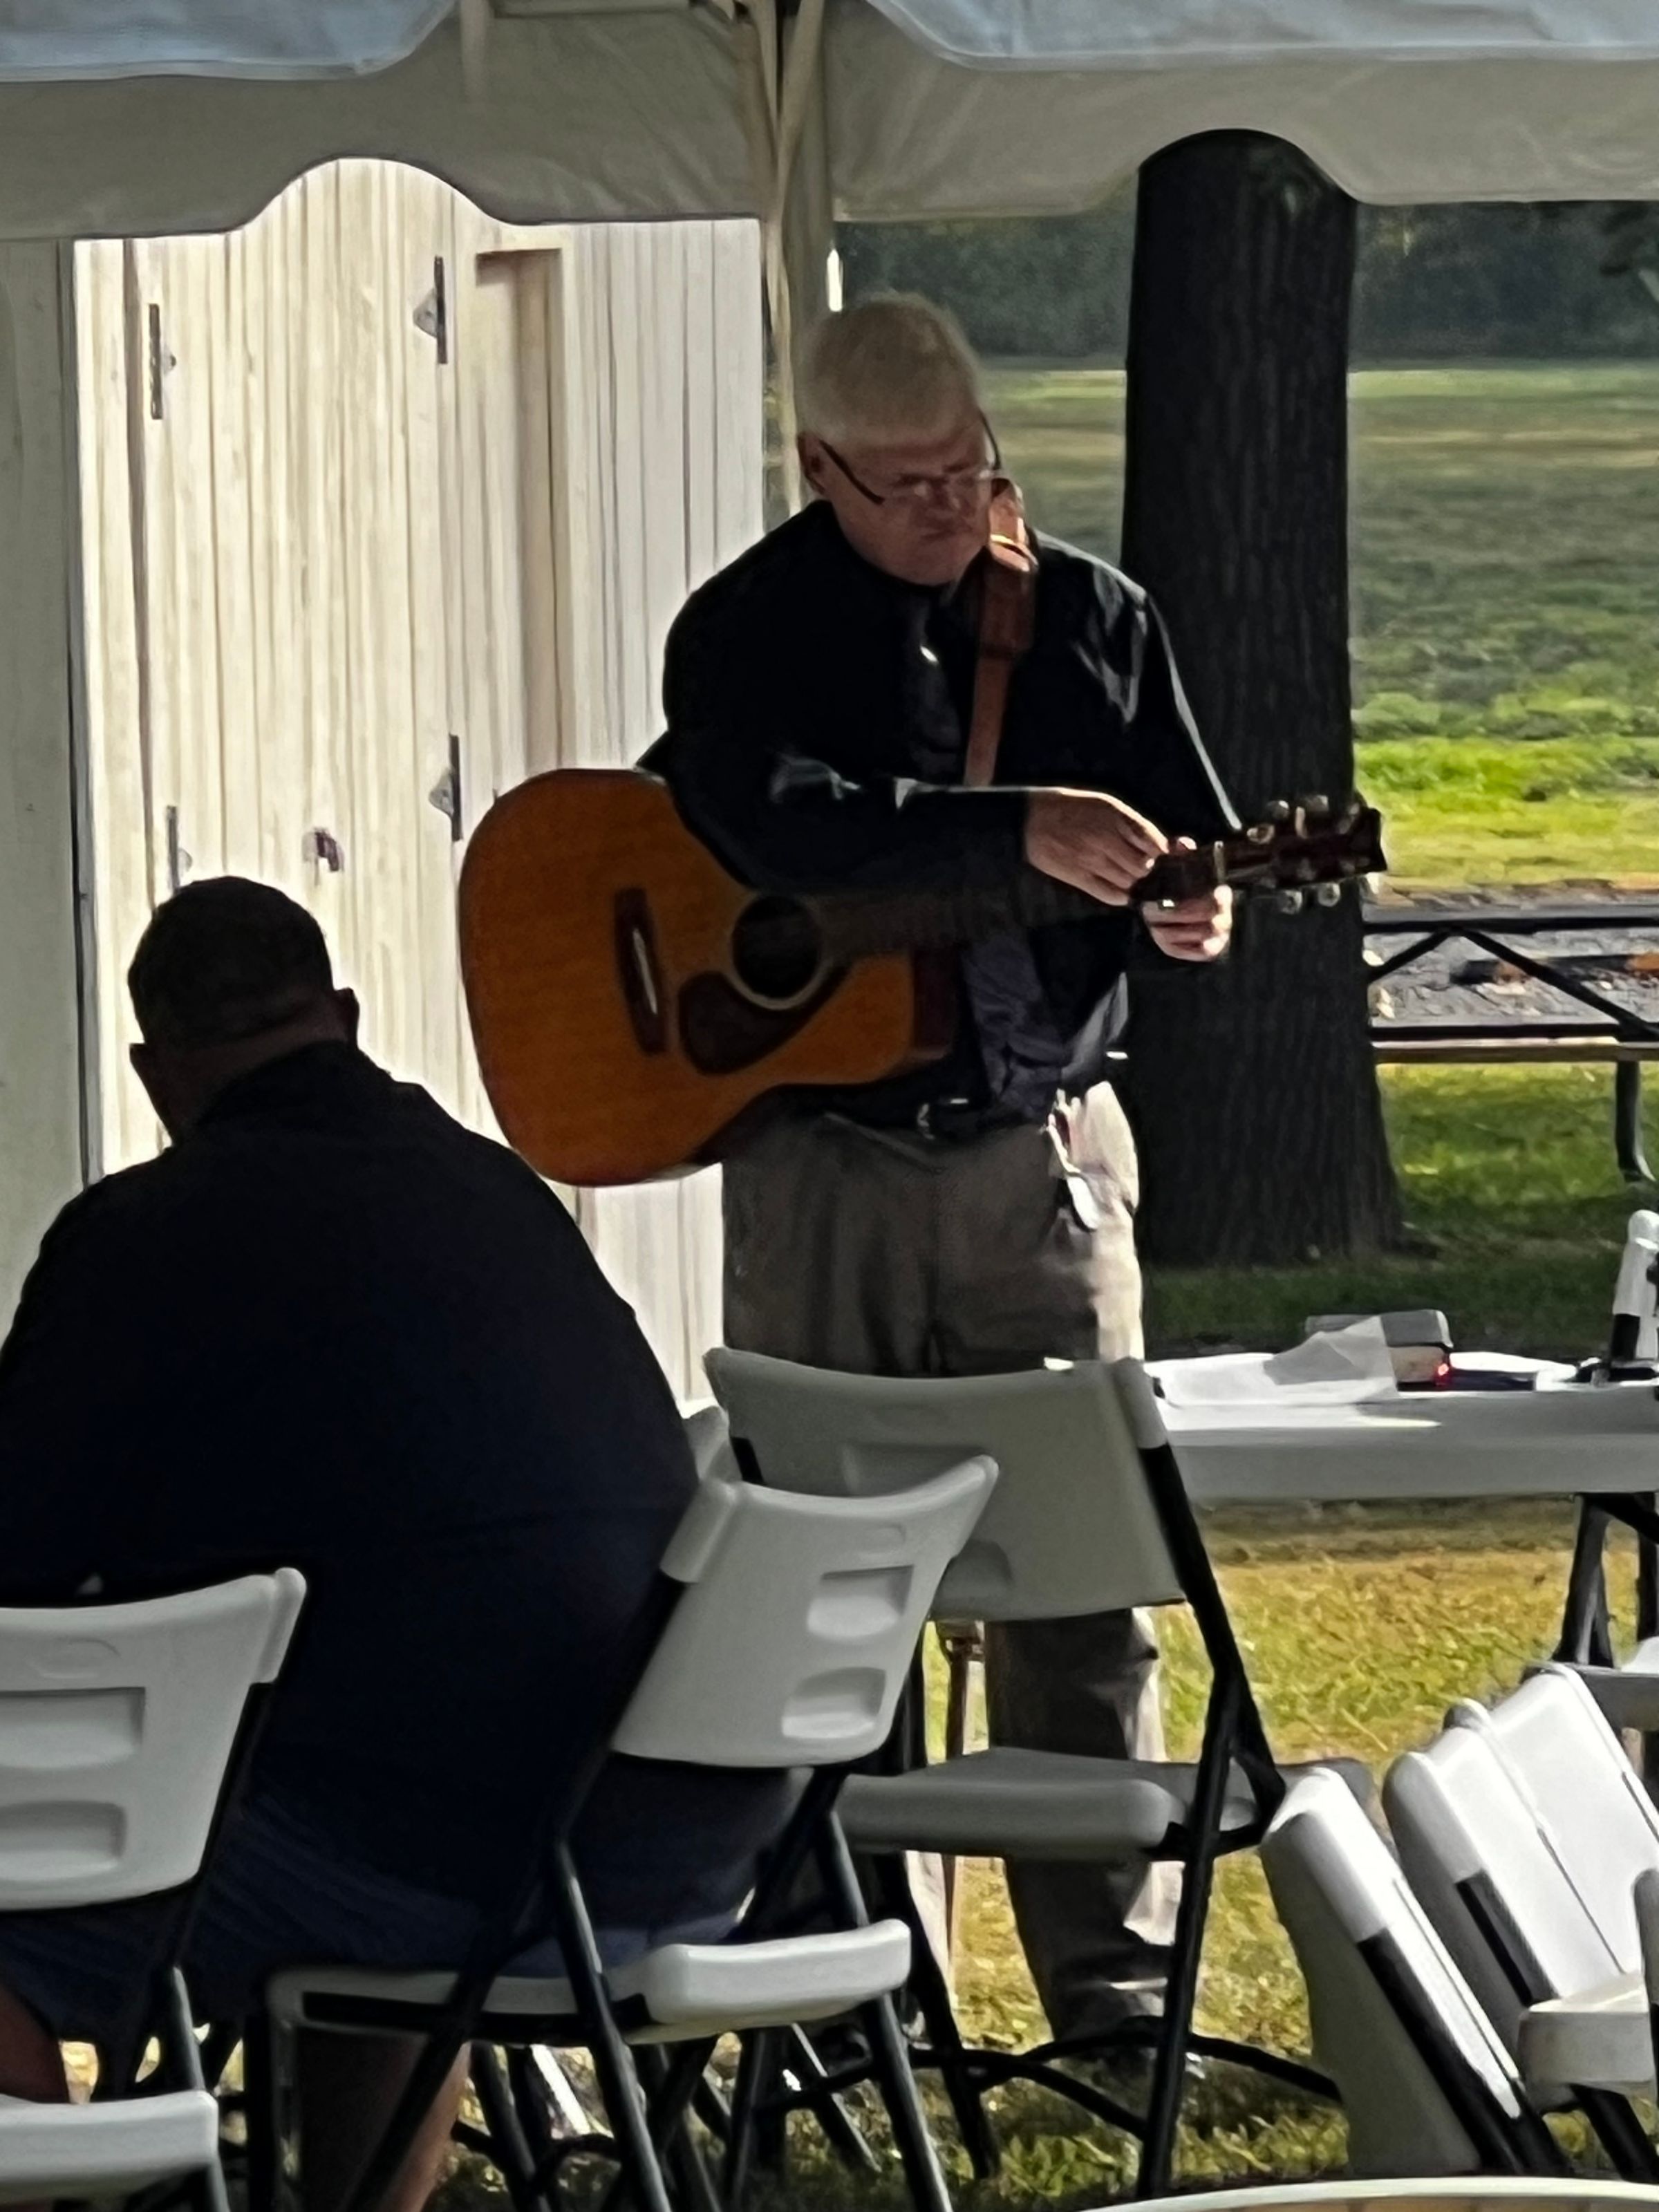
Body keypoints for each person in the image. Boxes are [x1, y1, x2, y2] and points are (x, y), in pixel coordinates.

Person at [0, 879, 788, 2212]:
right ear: (348, 1020)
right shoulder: (501, 1197)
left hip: (451, 1865)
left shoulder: (140, 1239)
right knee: (367, 1754)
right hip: (673, 1842)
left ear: (152, 1072)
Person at [645, 296, 1237, 2047]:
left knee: (1081, 1576)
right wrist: (995, 828)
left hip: (1036, 1149)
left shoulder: (1091, 619)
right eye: (898, 483)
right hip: (821, 1160)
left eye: (965, 469)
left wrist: (1192, 898)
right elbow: (758, 822)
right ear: (816, 466)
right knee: (825, 1579)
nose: (939, 506)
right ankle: (845, 1982)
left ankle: (1110, 1993)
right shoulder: (750, 628)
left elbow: (1179, 815)